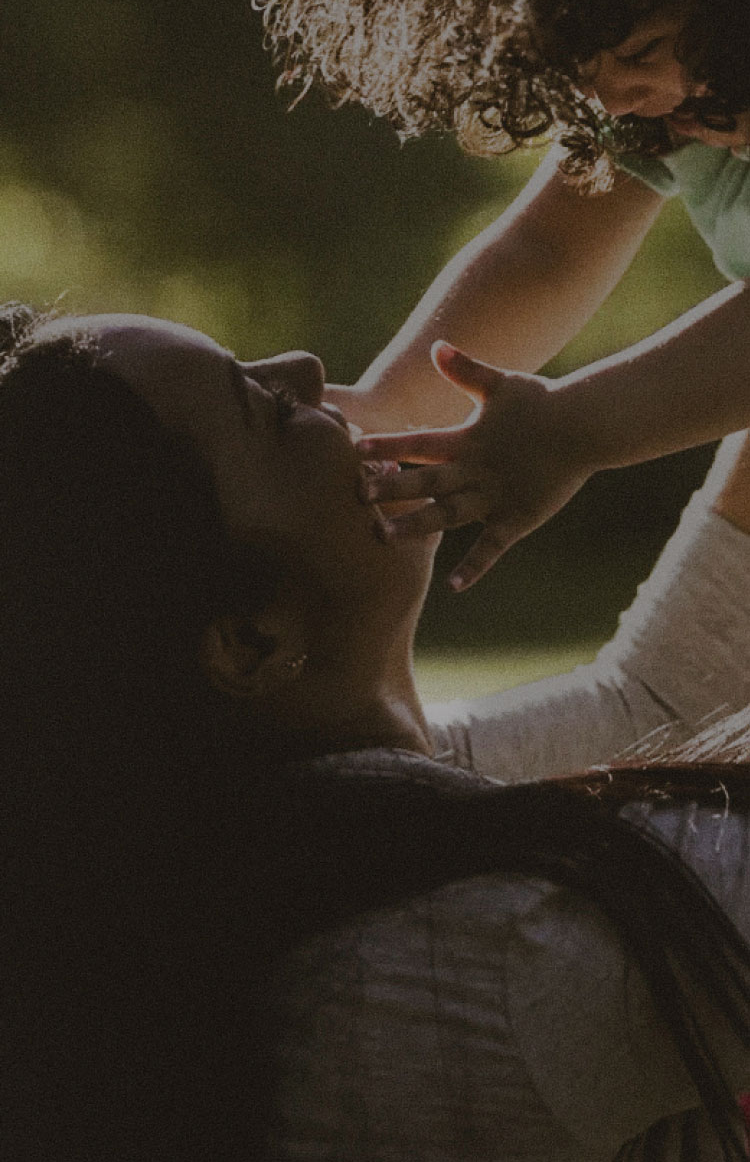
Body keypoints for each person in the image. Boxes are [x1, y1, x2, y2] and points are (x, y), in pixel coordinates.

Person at [2, 302, 750, 1159]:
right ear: (250, 642)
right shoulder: (489, 951)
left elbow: (657, 704)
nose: (310, 366)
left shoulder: (305, 851)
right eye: (271, 413)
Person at [235, 0, 750, 589]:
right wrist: (389, 408)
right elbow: (548, 248)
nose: (620, 96)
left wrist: (573, 428)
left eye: (639, 51)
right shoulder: (669, 106)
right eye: (575, 73)